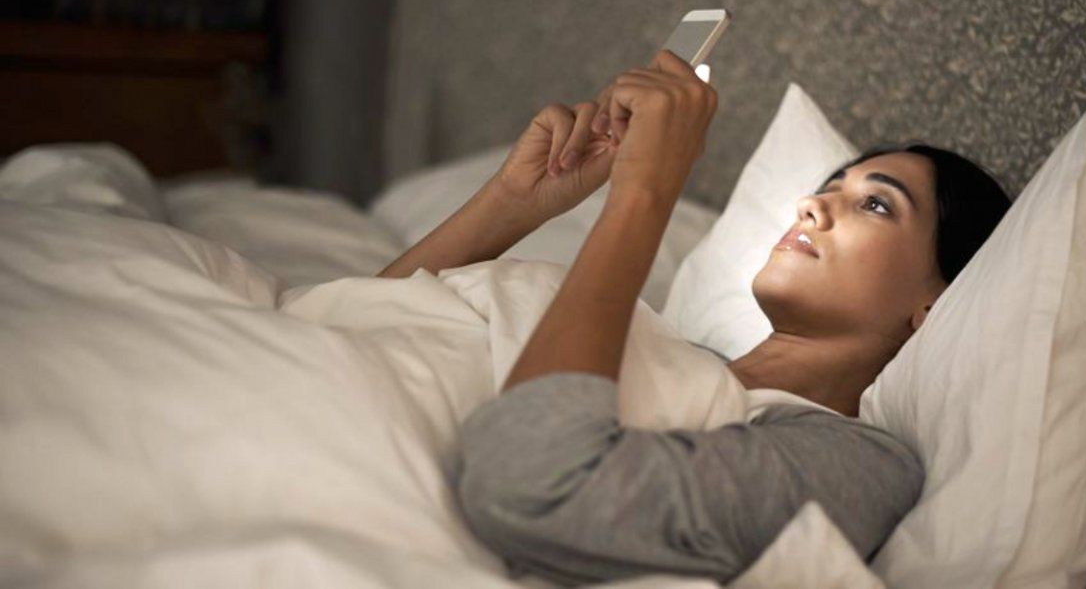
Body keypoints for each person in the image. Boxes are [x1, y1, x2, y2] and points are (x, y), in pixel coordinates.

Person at [377, 51, 1012, 585]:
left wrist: (646, 191)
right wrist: (513, 202)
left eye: (876, 205)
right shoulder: (670, 355)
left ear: (935, 305)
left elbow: (532, 486)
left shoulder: (863, 466)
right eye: (828, 187)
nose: (810, 205)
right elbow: (364, 319)